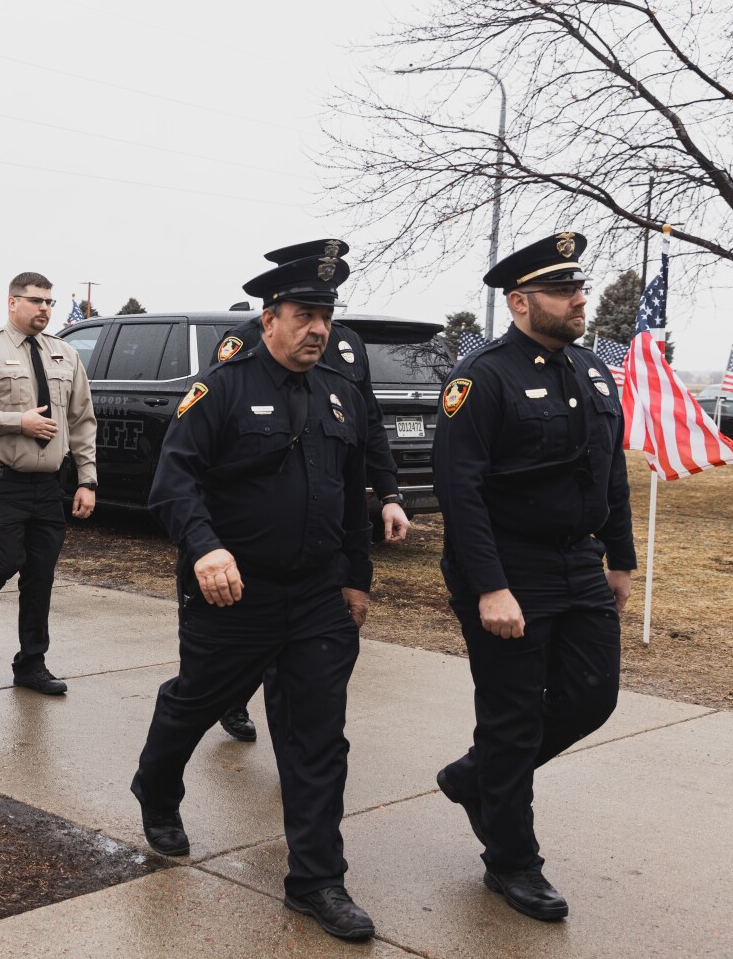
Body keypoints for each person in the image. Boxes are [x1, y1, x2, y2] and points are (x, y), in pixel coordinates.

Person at [132, 248, 377, 942]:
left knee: (317, 737)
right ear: (269, 319)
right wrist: (206, 547)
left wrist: (357, 577)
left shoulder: (341, 393)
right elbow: (173, 482)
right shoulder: (224, 387)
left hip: (318, 597)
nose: (318, 329)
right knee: (197, 699)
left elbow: (351, 497)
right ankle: (156, 785)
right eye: (305, 315)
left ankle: (316, 880)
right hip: (234, 593)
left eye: (326, 317)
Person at [431, 232, 634, 923]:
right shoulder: (482, 378)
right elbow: (460, 490)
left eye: (579, 288)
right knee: (514, 719)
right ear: (520, 303)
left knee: (592, 695)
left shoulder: (594, 372)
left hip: (577, 562)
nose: (580, 300)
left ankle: (473, 776)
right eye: (564, 291)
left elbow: (611, 472)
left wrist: (621, 558)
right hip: (507, 566)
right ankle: (513, 862)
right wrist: (489, 586)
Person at [211, 238, 410, 741]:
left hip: (323, 509)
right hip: (258, 521)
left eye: (328, 296)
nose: (318, 318)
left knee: (305, 658)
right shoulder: (241, 339)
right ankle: (231, 698)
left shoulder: (347, 343)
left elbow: (369, 425)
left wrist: (389, 494)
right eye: (308, 301)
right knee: (245, 650)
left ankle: (296, 751)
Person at [0, 272, 98, 694]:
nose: (44, 308)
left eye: (48, 301)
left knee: (40, 575)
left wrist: (87, 479)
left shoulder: (65, 354)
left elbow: (82, 420)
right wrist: (19, 422)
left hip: (49, 486)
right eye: (35, 301)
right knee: (1, 561)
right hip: (0, 482)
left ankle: (31, 662)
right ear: (12, 303)